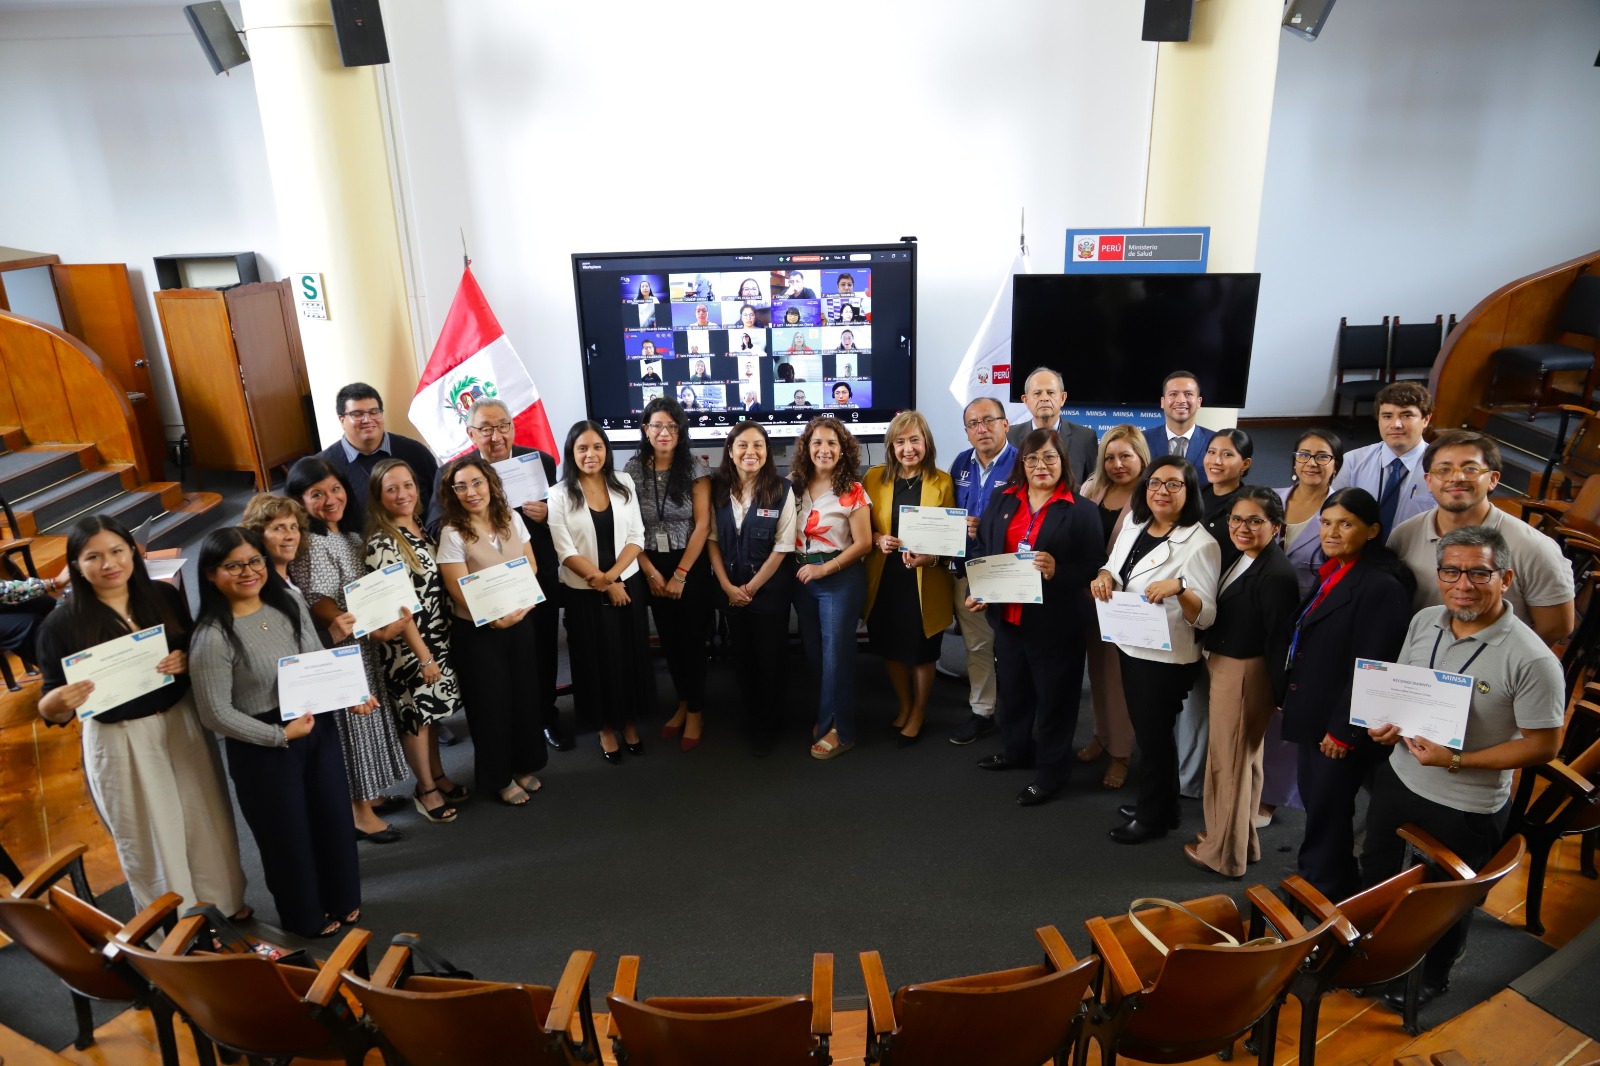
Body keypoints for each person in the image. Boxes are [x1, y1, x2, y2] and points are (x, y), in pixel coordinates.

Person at [1364, 525, 1563, 1007]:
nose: (1463, 584)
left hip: (1466, 803)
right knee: (1378, 874)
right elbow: (1405, 688)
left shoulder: (1533, 659)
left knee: (1446, 899)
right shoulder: (1425, 620)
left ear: (1506, 579)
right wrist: (1386, 724)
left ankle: (1434, 976)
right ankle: (1374, 960)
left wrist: (1457, 760)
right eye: (1451, 571)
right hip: (1400, 776)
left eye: (1479, 573)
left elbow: (1544, 746)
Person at [35, 515, 248, 917]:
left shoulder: (162, 596)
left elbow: (192, 644)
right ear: (76, 565)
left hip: (181, 720)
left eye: (117, 550)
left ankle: (224, 903)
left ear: (133, 552)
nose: (109, 563)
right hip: (122, 737)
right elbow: (49, 706)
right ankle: (177, 927)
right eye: (93, 557)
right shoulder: (60, 624)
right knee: (152, 834)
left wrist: (185, 660)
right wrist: (61, 700)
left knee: (207, 816)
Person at [190, 526, 374, 939]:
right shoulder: (212, 636)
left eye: (254, 560)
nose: (248, 572)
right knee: (287, 836)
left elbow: (316, 658)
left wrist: (349, 694)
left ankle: (343, 897)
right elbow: (215, 714)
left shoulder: (288, 601)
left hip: (315, 726)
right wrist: (279, 736)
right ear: (210, 574)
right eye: (233, 566)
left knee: (331, 816)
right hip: (263, 744)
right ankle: (304, 916)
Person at [1279, 487, 1415, 901]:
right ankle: (1322, 879)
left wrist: (1344, 729)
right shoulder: (1335, 571)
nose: (1331, 532)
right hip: (1315, 708)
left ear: (1372, 531)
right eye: (1326, 523)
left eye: (1345, 524)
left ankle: (1326, 890)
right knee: (1319, 805)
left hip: (1339, 723)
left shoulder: (1381, 586)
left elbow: (1375, 664)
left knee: (1330, 808)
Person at [969, 429, 1105, 805]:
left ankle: (1051, 773)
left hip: (1056, 625)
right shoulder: (1003, 498)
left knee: (1054, 702)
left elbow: (1094, 566)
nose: (1040, 465)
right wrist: (979, 589)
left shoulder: (1081, 510)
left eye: (1049, 457)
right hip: (1009, 619)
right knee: (1014, 693)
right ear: (1022, 464)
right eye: (1032, 458)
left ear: (1063, 462)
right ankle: (1016, 752)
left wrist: (1058, 570)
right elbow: (984, 549)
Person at [1091, 455, 1220, 843]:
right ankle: (1166, 808)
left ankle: (1151, 819)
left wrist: (1180, 588)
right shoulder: (1136, 522)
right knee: (1152, 733)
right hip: (1131, 642)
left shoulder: (1201, 544)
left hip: (1166, 658)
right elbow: (1114, 566)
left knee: (1153, 738)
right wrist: (1103, 577)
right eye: (1154, 483)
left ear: (1189, 491)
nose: (1162, 491)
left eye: (1173, 484)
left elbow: (1207, 616)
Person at [285, 457, 409, 843]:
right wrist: (355, 623)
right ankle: (358, 813)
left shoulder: (348, 533)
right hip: (342, 645)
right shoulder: (312, 542)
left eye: (335, 489)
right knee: (351, 726)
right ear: (299, 501)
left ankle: (368, 795)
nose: (330, 499)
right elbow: (319, 600)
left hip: (363, 641)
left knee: (368, 719)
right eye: (316, 494)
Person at [1183, 487, 1299, 878]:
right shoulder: (1244, 555)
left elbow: (1278, 640)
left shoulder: (1277, 575)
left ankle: (1223, 855)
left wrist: (1278, 692)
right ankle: (1238, 840)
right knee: (1243, 761)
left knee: (1228, 764)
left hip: (1245, 673)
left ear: (1276, 526)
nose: (1242, 527)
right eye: (1236, 518)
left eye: (1254, 521)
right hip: (1233, 666)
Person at [1387, 429, 1574, 646]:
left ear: (1493, 479)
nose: (1457, 478)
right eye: (1444, 469)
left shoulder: (1532, 546)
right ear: (1429, 481)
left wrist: (1499, 657)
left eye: (1470, 469)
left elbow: (1556, 626)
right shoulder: (1404, 534)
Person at [456, 397, 570, 750]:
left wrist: (547, 514)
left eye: (503, 426)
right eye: (486, 429)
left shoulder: (540, 462)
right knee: (500, 661)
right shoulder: (458, 473)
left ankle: (546, 717)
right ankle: (512, 727)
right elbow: (437, 524)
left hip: (537, 576)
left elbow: (563, 513)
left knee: (543, 650)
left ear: (513, 426)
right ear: (471, 433)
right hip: (487, 585)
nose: (496, 436)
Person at [435, 456, 547, 800]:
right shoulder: (452, 532)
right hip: (479, 631)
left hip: (519, 620)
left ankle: (522, 765)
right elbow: (457, 587)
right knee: (490, 705)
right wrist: (493, 617)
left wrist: (519, 601)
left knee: (523, 696)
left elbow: (531, 563)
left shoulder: (511, 517)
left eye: (477, 483)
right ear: (452, 493)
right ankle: (498, 778)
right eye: (461, 487)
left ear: (490, 484)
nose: (471, 492)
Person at [364, 459, 465, 822]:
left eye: (407, 485)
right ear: (378, 496)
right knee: (417, 718)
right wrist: (424, 656)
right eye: (391, 489)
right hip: (409, 647)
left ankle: (437, 775)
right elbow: (397, 607)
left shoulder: (419, 526)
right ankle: (425, 789)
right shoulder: (382, 541)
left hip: (436, 636)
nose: (402, 494)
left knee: (432, 713)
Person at [548, 421, 654, 763]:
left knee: (628, 656)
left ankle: (629, 721)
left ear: (606, 450)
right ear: (572, 453)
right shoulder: (559, 493)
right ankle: (605, 727)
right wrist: (606, 585)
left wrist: (612, 579)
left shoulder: (623, 482)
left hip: (627, 583)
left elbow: (637, 536)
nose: (590, 454)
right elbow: (564, 551)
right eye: (582, 448)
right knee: (594, 661)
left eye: (597, 446)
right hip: (584, 591)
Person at [1260, 428, 1345, 831]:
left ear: (1335, 465)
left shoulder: (1341, 508)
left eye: (1322, 456)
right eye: (1304, 455)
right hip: (1262, 616)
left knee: (1288, 709)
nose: (1312, 463)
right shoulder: (1272, 498)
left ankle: (1272, 795)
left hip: (1309, 622)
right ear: (1293, 460)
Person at [625, 399, 713, 751]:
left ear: (681, 431)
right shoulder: (632, 469)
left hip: (688, 563)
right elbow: (630, 526)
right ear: (645, 429)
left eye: (672, 426)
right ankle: (682, 702)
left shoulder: (694, 466)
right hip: (650, 562)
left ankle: (696, 711)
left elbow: (702, 525)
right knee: (669, 640)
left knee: (692, 640)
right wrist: (649, 572)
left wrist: (680, 574)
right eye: (657, 425)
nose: (664, 432)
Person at [863, 411, 956, 746]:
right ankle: (904, 705)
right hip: (885, 578)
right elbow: (861, 526)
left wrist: (931, 556)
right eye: (900, 442)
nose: (908, 448)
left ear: (926, 442)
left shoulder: (942, 481)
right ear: (891, 446)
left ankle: (919, 711)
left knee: (921, 652)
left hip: (924, 581)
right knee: (891, 648)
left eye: (914, 440)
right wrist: (878, 539)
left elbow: (952, 540)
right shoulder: (873, 477)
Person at [707, 421, 796, 754]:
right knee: (742, 658)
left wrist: (751, 588)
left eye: (758, 445)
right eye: (742, 445)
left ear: (766, 451)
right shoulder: (717, 490)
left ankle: (769, 724)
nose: (751, 452)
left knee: (770, 659)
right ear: (730, 451)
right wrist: (727, 586)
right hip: (730, 591)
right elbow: (712, 540)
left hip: (768, 594)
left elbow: (783, 546)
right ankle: (750, 715)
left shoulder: (783, 489)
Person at [792, 415, 872, 759]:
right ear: (806, 448)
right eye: (817, 442)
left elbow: (864, 543)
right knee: (816, 654)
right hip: (802, 580)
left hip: (839, 578)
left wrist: (825, 569)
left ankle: (843, 729)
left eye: (831, 443)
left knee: (837, 656)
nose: (824, 449)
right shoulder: (793, 486)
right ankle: (827, 717)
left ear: (843, 450)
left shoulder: (852, 490)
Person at [1075, 423, 1151, 788]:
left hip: (1127, 602)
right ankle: (1102, 735)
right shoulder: (1092, 489)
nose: (1117, 464)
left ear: (1141, 457)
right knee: (1097, 673)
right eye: (1110, 457)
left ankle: (1121, 752)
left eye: (1125, 456)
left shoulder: (1151, 494)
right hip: (1089, 598)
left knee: (1119, 680)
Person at [946, 398, 1018, 746]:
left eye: (989, 420)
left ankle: (1019, 714)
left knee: (1013, 646)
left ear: (1005, 424)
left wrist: (988, 527)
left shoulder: (1023, 463)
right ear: (966, 431)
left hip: (1008, 572)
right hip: (968, 570)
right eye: (973, 423)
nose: (982, 428)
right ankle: (982, 711)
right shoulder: (960, 463)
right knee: (977, 645)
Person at [317, 383, 440, 528]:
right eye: (357, 414)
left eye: (374, 412)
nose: (367, 419)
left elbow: (440, 503)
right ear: (342, 420)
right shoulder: (323, 466)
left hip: (420, 538)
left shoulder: (416, 453)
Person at [1327, 380, 1434, 542]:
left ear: (1426, 419)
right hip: (1360, 549)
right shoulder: (1353, 461)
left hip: (1416, 551)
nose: (1396, 424)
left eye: (1406, 415)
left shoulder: (1440, 467)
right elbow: (1331, 513)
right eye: (1387, 416)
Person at [1005, 367, 1097, 486]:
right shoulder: (1009, 436)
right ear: (1026, 400)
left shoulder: (1085, 438)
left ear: (1062, 398)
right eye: (1037, 393)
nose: (1044, 398)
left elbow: (1093, 487)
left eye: (1050, 392)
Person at [1142, 371, 1215, 491]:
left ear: (1198, 402)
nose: (1181, 400)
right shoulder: (1142, 440)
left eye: (1188, 394)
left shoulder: (1214, 441)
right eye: (1173, 394)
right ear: (1162, 402)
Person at [241, 493, 310, 591]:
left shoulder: (290, 575)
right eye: (278, 528)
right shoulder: (263, 588)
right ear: (257, 534)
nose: (290, 536)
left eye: (293, 527)